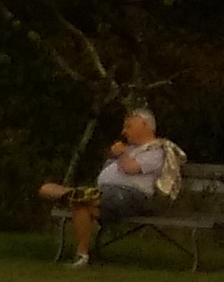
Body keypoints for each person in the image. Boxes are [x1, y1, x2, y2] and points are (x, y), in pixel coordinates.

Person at [39, 109, 184, 266]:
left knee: (82, 201)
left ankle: (76, 197)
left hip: (129, 197)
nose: (124, 131)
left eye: (128, 126)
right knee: (67, 198)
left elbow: (130, 168)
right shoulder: (129, 149)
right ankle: (82, 254)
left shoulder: (156, 150)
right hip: (104, 194)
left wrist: (121, 154)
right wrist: (121, 153)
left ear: (145, 125)